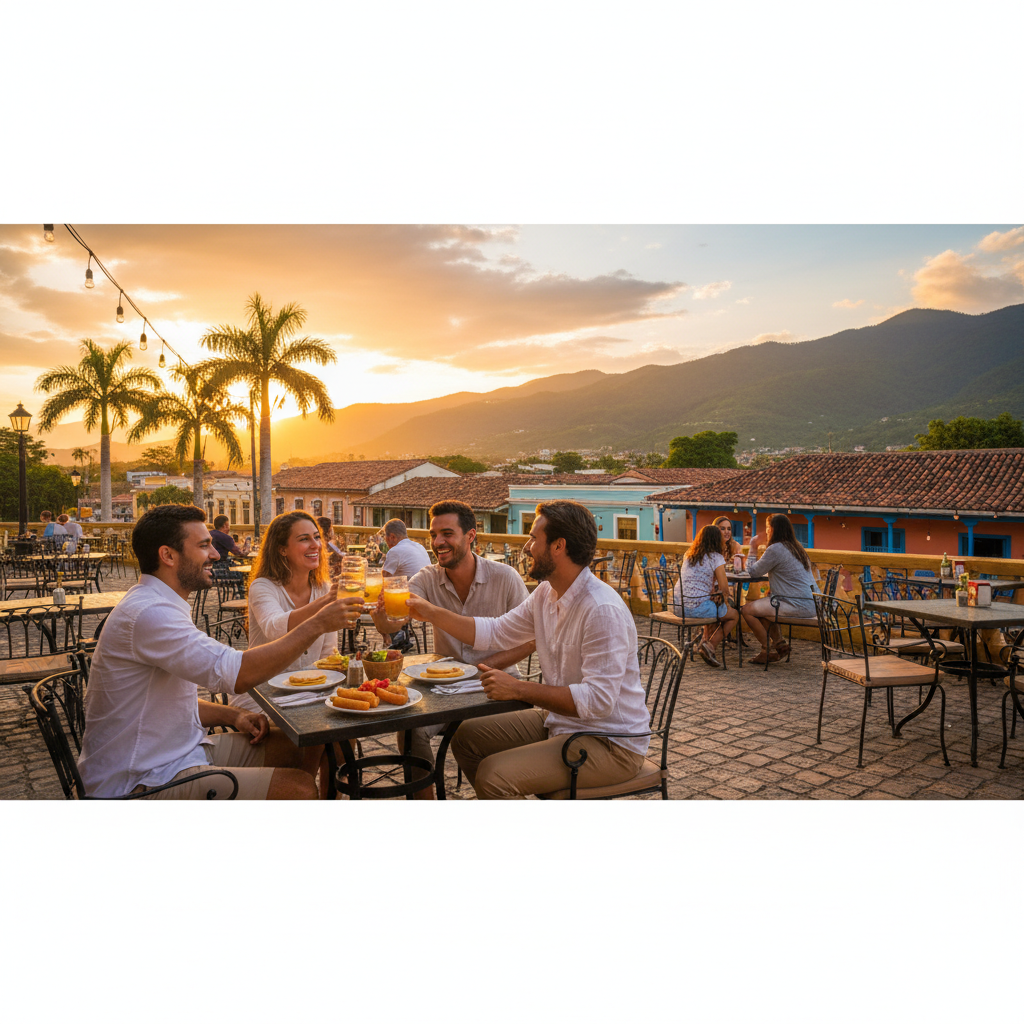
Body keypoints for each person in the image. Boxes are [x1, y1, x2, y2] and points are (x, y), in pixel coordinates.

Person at [77, 503, 362, 799]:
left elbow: (165, 703)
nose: (216, 554)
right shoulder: (150, 614)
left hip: (183, 751)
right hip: (140, 780)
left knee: (309, 744)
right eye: (204, 546)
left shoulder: (159, 604)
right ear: (168, 556)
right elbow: (238, 674)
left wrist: (233, 715)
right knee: (299, 790)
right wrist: (317, 623)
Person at [405, 499, 650, 799]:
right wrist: (429, 611)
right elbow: (495, 631)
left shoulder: (600, 609)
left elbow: (598, 702)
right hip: (562, 722)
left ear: (558, 547)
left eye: (534, 538)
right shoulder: (547, 593)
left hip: (610, 742)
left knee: (494, 776)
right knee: (467, 737)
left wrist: (519, 689)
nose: (526, 547)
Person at [370, 500, 534, 799]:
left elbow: (531, 638)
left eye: (447, 533)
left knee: (475, 741)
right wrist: (381, 613)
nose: (438, 542)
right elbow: (393, 624)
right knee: (410, 728)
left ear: (471, 536)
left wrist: (484, 666)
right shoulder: (427, 578)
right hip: (443, 687)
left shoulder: (505, 577)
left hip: (496, 686)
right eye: (433, 535)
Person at [234, 510, 342, 796]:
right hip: (264, 692)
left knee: (344, 738)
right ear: (282, 549)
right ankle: (301, 789)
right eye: (304, 539)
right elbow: (274, 628)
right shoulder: (263, 586)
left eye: (317, 537)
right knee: (321, 732)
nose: (315, 545)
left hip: (310, 689)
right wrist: (326, 605)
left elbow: (329, 652)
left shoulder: (322, 588)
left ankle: (331, 798)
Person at [741, 513, 819, 664]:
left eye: (768, 528)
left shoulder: (775, 549)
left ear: (773, 529)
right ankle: (780, 644)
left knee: (747, 610)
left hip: (797, 604)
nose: (767, 532)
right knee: (762, 608)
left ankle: (766, 650)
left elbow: (753, 572)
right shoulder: (797, 547)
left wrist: (753, 547)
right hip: (812, 603)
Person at [673, 524, 739, 668]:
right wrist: (727, 602)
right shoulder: (716, 557)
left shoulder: (689, 556)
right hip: (697, 608)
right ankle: (710, 646)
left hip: (678, 607)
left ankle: (704, 643)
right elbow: (724, 586)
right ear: (717, 540)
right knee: (733, 615)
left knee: (714, 606)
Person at [380, 518, 431, 650]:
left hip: (408, 602)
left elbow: (384, 579)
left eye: (385, 537)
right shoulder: (420, 547)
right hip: (427, 598)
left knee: (378, 599)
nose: (386, 541)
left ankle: (393, 638)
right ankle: (402, 633)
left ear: (392, 537)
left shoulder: (395, 551)